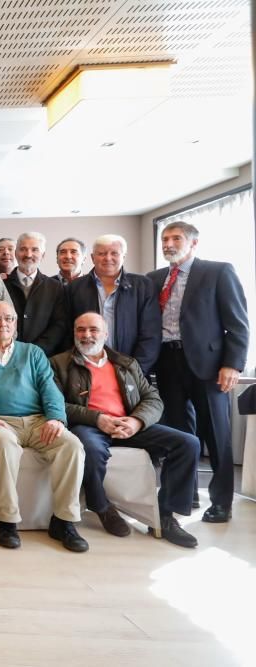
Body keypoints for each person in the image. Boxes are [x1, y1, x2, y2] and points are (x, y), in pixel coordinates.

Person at [51, 312, 199, 547]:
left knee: (188, 443)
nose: (86, 335)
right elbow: (56, 404)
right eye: (80, 329)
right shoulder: (59, 363)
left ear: (106, 333)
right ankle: (102, 507)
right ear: (74, 333)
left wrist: (136, 421)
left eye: (93, 329)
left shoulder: (125, 363)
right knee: (87, 447)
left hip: (129, 424)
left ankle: (166, 516)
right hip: (90, 426)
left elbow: (153, 399)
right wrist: (97, 418)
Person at [0, 301, 88, 552]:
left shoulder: (32, 353)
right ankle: (7, 521)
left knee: (72, 445)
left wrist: (55, 418)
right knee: (4, 444)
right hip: (0, 421)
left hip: (39, 420)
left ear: (16, 323)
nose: (3, 324)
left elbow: (49, 388)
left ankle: (64, 521)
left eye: (8, 318)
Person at [147, 221, 249, 523]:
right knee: (179, 433)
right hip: (167, 363)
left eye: (176, 238)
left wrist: (232, 364)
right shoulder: (154, 279)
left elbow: (238, 323)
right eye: (165, 239)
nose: (168, 243)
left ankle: (221, 502)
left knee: (216, 434)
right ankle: (184, 494)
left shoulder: (218, 272)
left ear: (193, 243)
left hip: (208, 367)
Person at [67, 234, 160, 374]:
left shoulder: (143, 286)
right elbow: (68, 329)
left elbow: (151, 334)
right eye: (101, 253)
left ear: (124, 256)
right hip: (85, 368)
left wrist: (136, 371)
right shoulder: (75, 287)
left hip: (131, 367)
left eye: (114, 253)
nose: (108, 258)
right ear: (92, 257)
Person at [4, 232, 68, 356]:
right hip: (8, 356)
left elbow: (59, 325)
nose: (28, 255)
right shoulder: (1, 285)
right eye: (23, 249)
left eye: (34, 250)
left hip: (44, 357)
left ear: (42, 255)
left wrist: (35, 352)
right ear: (16, 254)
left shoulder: (55, 287)